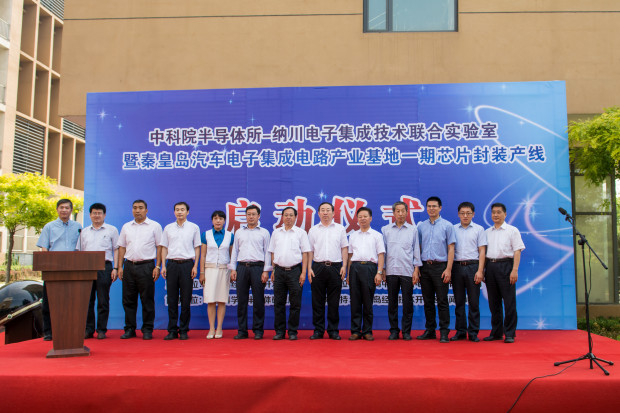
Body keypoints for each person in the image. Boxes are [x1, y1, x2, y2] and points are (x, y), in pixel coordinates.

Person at [36, 198, 82, 341]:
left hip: (72, 269)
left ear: (71, 210)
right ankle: (49, 332)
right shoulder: (49, 227)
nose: (64, 210)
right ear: (57, 209)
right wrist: (47, 266)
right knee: (49, 302)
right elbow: (44, 248)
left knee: (70, 302)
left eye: (67, 208)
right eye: (61, 207)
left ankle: (70, 330)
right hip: (53, 270)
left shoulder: (78, 226)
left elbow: (80, 247)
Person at [117, 200, 162, 340]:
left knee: (147, 299)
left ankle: (147, 329)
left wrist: (158, 266)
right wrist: (119, 266)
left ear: (146, 210)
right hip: (129, 266)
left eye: (141, 208)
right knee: (128, 300)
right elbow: (122, 247)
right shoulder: (126, 226)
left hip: (147, 266)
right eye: (135, 208)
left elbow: (160, 247)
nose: (137, 210)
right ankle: (130, 329)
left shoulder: (154, 226)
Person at [229, 205, 272, 340]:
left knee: (258, 300)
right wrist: (233, 268)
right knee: (241, 301)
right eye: (248, 214)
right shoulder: (239, 232)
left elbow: (267, 252)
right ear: (246, 216)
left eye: (254, 214)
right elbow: (235, 251)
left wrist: (266, 271)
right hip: (241, 267)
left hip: (258, 268)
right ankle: (242, 330)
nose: (251, 217)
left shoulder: (264, 232)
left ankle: (258, 330)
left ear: (259, 216)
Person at [416, 196, 456, 343]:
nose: (431, 209)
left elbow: (451, 248)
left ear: (440, 208)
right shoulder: (421, 226)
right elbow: (418, 247)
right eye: (429, 206)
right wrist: (418, 267)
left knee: (442, 300)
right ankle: (430, 330)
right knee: (427, 301)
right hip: (425, 266)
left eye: (434, 206)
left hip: (441, 267)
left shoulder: (447, 226)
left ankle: (444, 331)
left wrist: (448, 269)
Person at [484, 202, 525, 344]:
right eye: (493, 212)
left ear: (505, 214)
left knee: (509, 302)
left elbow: (517, 251)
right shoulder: (487, 232)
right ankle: (496, 332)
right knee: (493, 302)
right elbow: (483, 253)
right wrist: (483, 270)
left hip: (506, 266)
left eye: (499, 212)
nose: (495, 215)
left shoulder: (512, 230)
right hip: (490, 266)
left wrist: (514, 270)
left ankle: (509, 333)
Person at [268, 207, 311, 341]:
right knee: (278, 303)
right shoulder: (276, 233)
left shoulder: (301, 233)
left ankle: (293, 331)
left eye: (291, 215)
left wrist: (303, 272)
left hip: (295, 271)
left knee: (295, 303)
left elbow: (305, 253)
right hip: (279, 271)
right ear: (282, 217)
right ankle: (279, 331)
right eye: (286, 215)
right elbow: (272, 252)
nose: (288, 217)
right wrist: (273, 270)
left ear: (295, 217)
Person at [307, 202, 348, 341]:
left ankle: (333, 330)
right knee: (317, 301)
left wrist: (344, 266)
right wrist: (309, 268)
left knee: (334, 301)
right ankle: (318, 330)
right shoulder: (313, 230)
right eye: (323, 210)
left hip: (335, 267)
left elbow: (344, 248)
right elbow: (310, 251)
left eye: (328, 210)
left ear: (333, 213)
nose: (325, 213)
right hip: (317, 267)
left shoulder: (340, 229)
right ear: (318, 213)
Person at [381, 201, 421, 341]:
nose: (400, 214)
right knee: (392, 303)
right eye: (397, 211)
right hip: (391, 271)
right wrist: (383, 269)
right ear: (393, 213)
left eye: (403, 211)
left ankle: (406, 331)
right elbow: (383, 251)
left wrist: (416, 270)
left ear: (407, 212)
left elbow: (416, 251)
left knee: (407, 303)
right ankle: (393, 331)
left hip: (407, 271)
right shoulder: (386, 230)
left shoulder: (413, 230)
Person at [78, 202, 119, 340]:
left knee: (103, 300)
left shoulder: (111, 230)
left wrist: (115, 268)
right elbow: (80, 251)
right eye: (94, 213)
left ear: (104, 215)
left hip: (104, 267)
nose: (97, 216)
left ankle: (101, 329)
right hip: (87, 268)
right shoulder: (83, 232)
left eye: (99, 213)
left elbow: (116, 250)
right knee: (87, 301)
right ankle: (88, 329)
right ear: (90, 215)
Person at [160, 202, 201, 340]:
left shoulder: (194, 227)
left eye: (182, 210)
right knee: (171, 299)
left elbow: (197, 248)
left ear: (187, 212)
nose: (179, 212)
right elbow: (164, 247)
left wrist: (195, 266)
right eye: (177, 210)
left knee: (185, 299)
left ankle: (183, 329)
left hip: (187, 265)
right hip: (171, 265)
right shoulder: (168, 228)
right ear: (174, 212)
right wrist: (163, 266)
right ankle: (172, 330)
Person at [347, 207, 385, 341]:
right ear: (357, 219)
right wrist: (348, 273)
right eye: (360, 217)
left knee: (368, 301)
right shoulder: (353, 235)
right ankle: (355, 331)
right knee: (355, 301)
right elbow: (350, 255)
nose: (362, 219)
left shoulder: (377, 235)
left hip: (370, 268)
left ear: (370, 218)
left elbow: (381, 255)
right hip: (355, 267)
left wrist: (379, 272)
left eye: (365, 216)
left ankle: (367, 331)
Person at [451, 202, 487, 342]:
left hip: (473, 266)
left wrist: (480, 271)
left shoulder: (479, 229)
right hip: (457, 267)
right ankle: (460, 331)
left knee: (474, 302)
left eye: (468, 213)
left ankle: (473, 332)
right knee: (459, 301)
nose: (465, 216)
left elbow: (482, 251)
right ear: (458, 214)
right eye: (462, 213)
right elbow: (450, 249)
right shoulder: (453, 229)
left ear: (473, 214)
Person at [199, 210, 234, 339]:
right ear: (212, 221)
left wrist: (232, 270)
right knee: (211, 300)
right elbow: (203, 255)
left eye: (220, 218)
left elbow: (232, 255)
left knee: (222, 300)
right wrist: (202, 272)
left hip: (224, 270)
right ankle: (211, 328)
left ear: (224, 221)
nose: (218, 221)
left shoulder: (230, 236)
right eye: (215, 218)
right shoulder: (206, 235)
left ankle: (219, 328)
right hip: (209, 270)